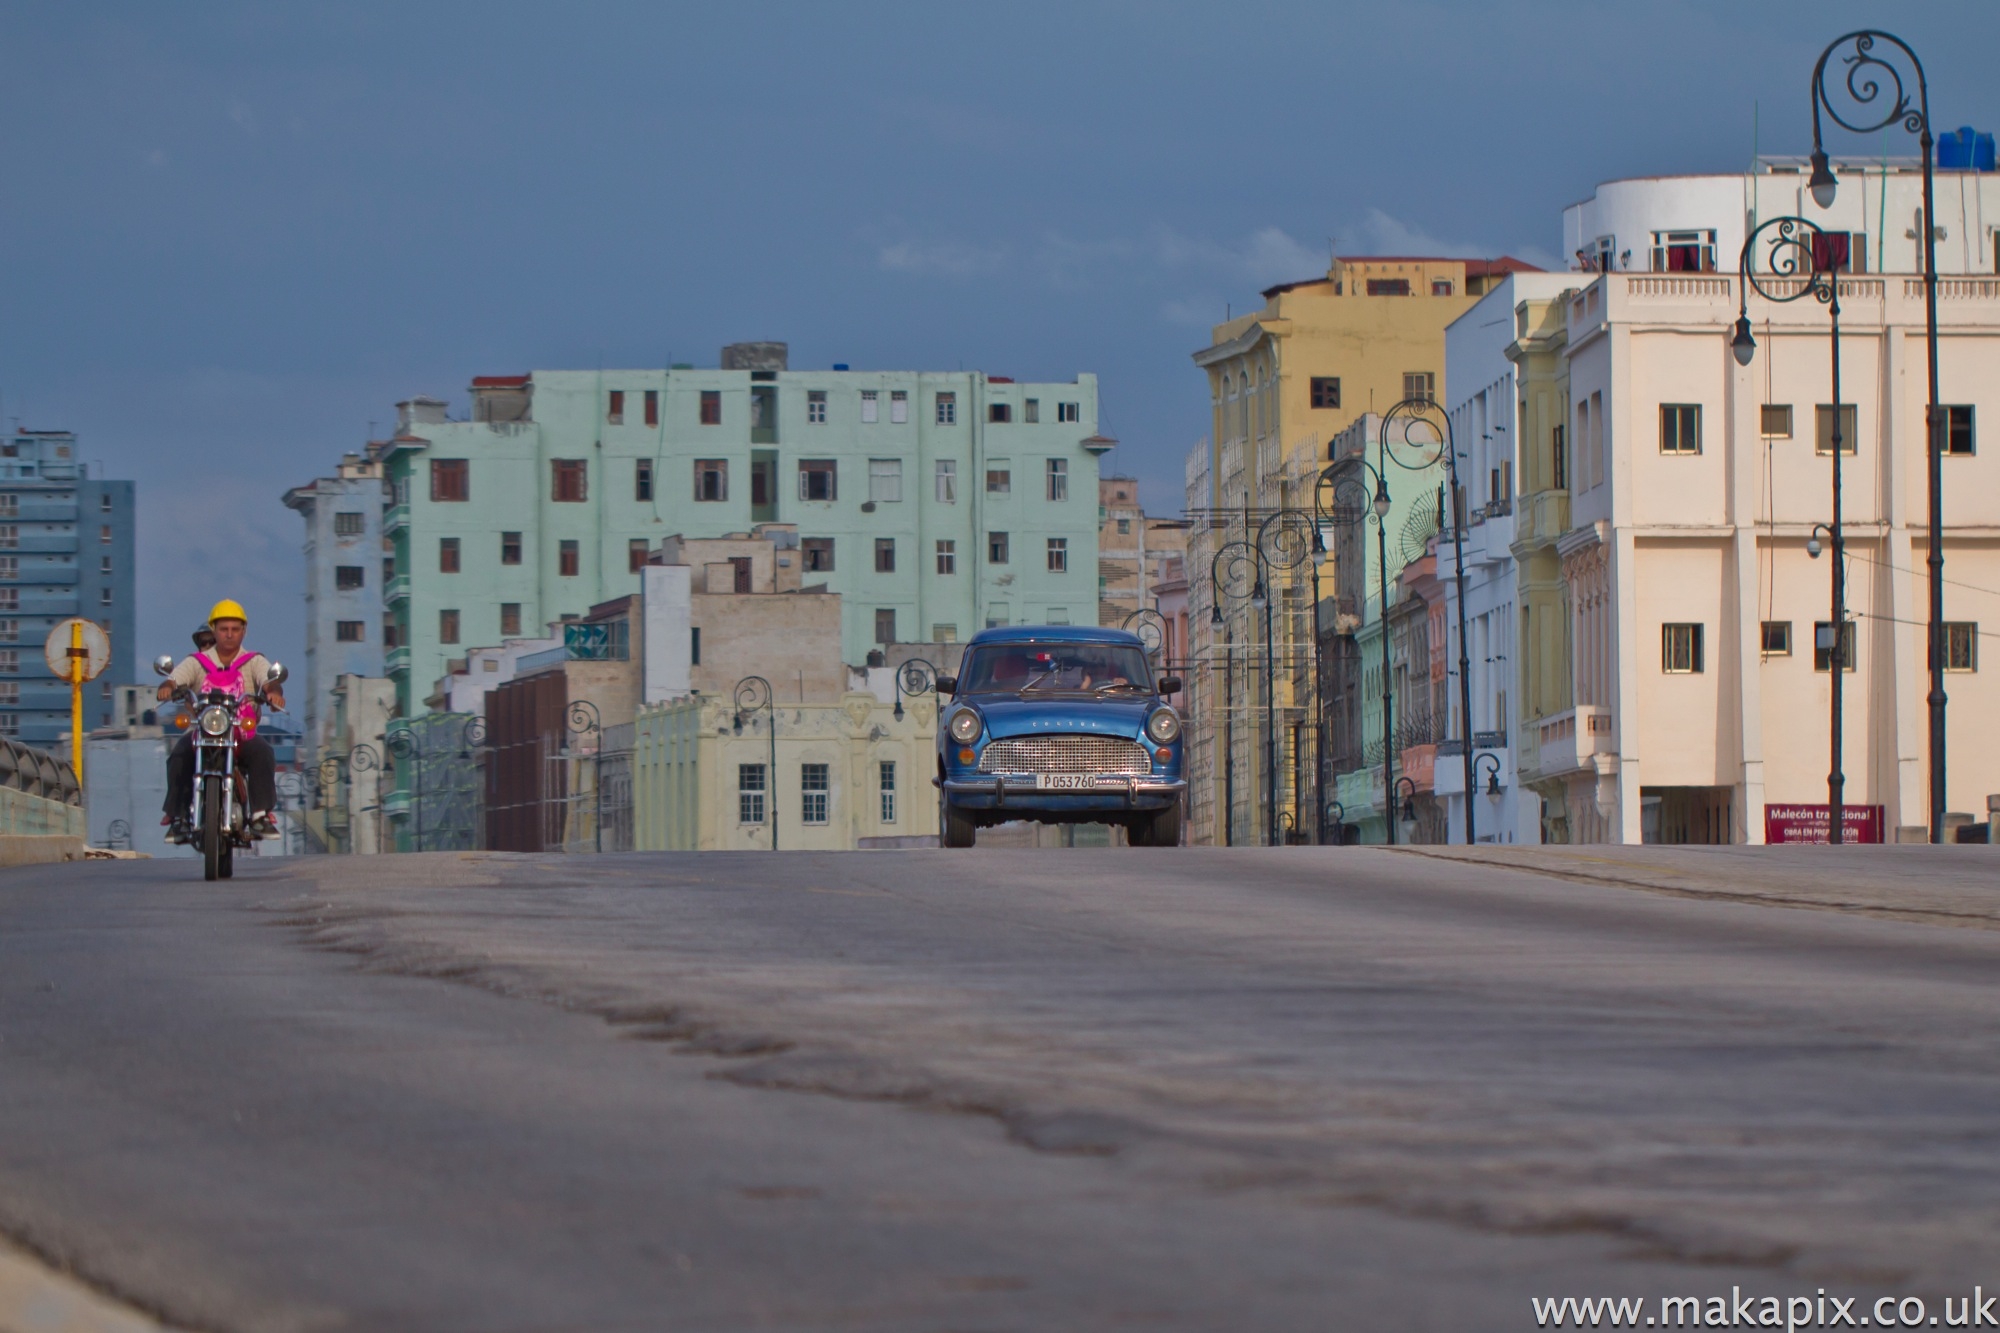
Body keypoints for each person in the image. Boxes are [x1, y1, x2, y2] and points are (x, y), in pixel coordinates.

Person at [159, 600, 284, 841]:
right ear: (214, 630)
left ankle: (260, 815)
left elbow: (269, 680)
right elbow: (176, 678)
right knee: (179, 754)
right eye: (223, 629)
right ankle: (179, 818)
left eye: (235, 629)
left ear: (243, 631)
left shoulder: (254, 660)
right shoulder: (197, 661)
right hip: (203, 732)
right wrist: (168, 686)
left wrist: (273, 693)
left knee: (263, 752)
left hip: (240, 732)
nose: (229, 634)